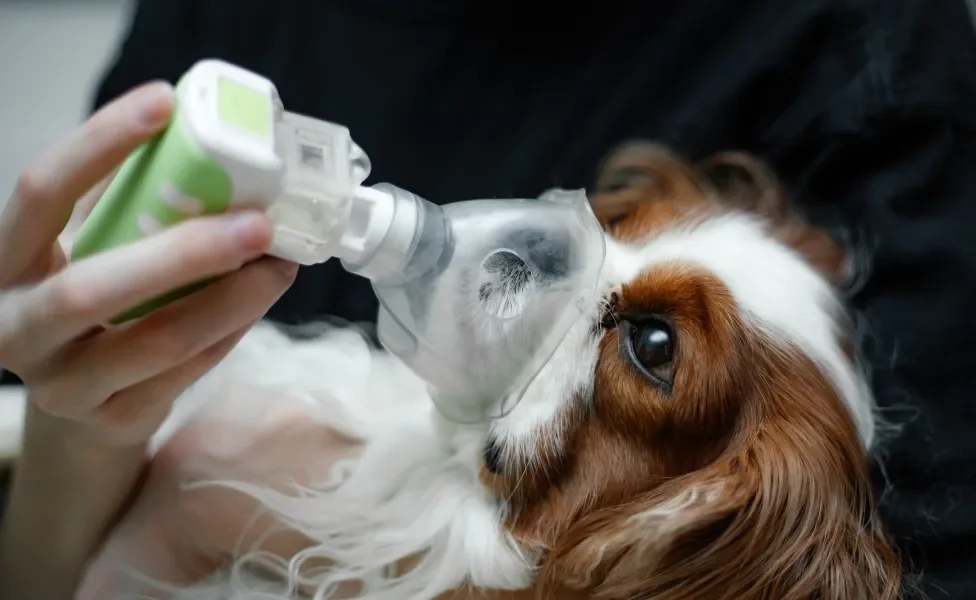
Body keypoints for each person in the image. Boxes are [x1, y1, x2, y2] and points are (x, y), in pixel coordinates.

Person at [1, 0, 976, 597]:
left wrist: (239, 510)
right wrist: (80, 428)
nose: (557, 273)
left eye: (651, 347)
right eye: (614, 226)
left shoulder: (860, 42)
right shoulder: (225, 14)